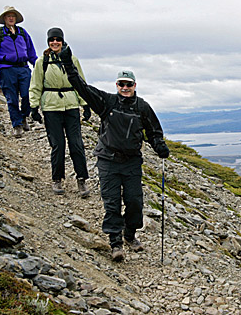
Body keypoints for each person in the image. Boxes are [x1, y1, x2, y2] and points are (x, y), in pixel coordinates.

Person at [59, 46, 169, 261]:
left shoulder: (142, 107)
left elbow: (154, 131)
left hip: (131, 162)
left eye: (129, 84)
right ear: (116, 85)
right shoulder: (107, 102)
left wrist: (160, 146)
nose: (125, 87)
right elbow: (82, 87)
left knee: (135, 201)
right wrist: (67, 64)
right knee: (111, 203)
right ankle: (115, 243)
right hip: (108, 160)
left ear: (135, 86)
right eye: (121, 84)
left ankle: (130, 234)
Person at [28, 28, 91, 197]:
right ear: (48, 42)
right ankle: (57, 179)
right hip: (51, 107)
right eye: (52, 40)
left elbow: (80, 83)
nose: (55, 42)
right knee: (58, 145)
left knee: (76, 144)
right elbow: (35, 85)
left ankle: (82, 179)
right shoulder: (42, 61)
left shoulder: (72, 60)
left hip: (71, 106)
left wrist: (85, 105)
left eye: (58, 39)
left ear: (63, 41)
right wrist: (34, 107)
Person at [0, 6, 38, 138]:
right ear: (4, 18)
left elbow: (31, 51)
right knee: (12, 99)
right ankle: (17, 125)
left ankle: (24, 117)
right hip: (6, 69)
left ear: (16, 19)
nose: (11, 18)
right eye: (8, 16)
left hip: (23, 68)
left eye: (13, 16)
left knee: (27, 95)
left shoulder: (22, 32)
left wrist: (38, 66)